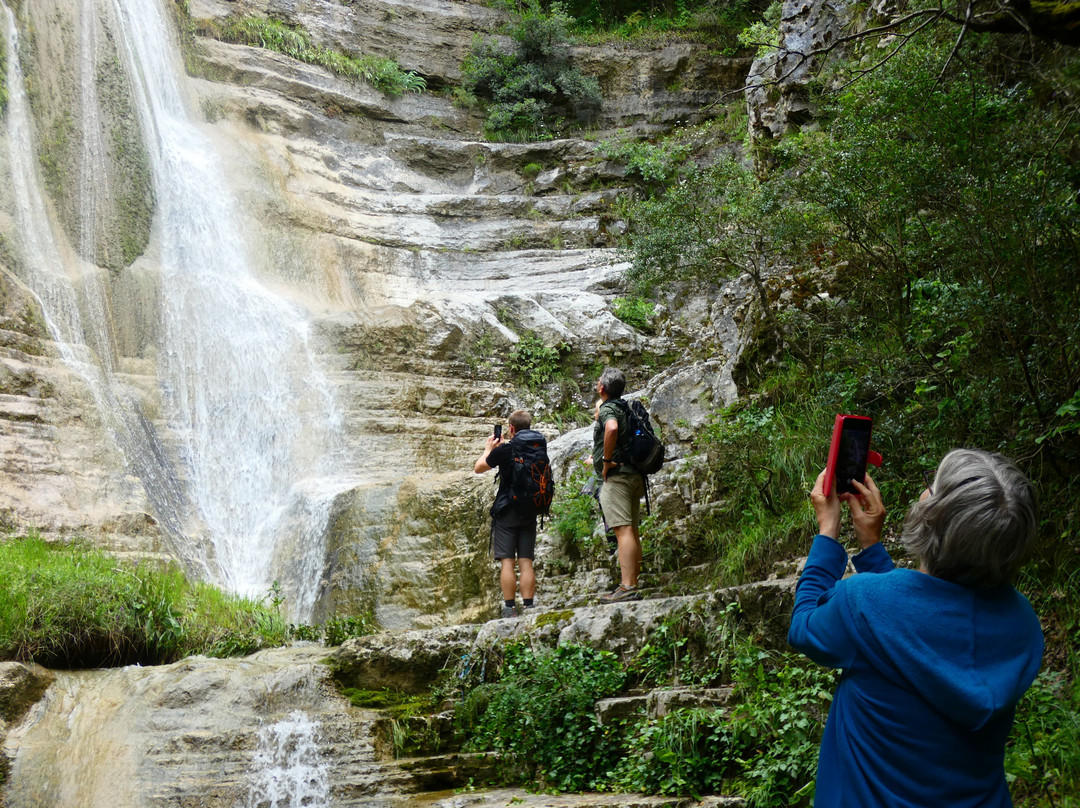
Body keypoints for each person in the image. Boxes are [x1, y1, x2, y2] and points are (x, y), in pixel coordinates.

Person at [789, 449, 1044, 807]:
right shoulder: (1023, 625)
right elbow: (918, 621)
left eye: (930, 487)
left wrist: (828, 534)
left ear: (931, 520)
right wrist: (872, 547)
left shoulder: (862, 603)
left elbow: (803, 628)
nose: (922, 493)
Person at [475, 409, 543, 618]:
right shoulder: (539, 447)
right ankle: (530, 608)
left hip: (507, 511)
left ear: (511, 428)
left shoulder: (505, 449)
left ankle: (510, 608)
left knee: (507, 561)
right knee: (526, 561)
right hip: (530, 509)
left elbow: (479, 468)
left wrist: (488, 449)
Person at [592, 367, 645, 603]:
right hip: (634, 474)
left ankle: (628, 586)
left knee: (622, 529)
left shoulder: (609, 408)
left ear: (602, 388)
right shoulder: (625, 406)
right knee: (632, 529)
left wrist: (605, 461)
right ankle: (633, 581)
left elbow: (611, 428)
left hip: (618, 476)